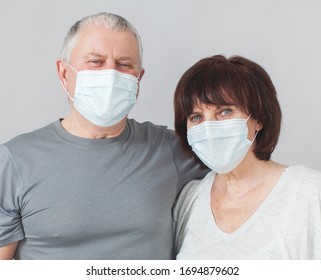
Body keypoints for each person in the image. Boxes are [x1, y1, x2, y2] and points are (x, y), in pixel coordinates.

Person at [0, 12, 207, 260]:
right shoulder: (15, 161)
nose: (111, 74)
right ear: (64, 73)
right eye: (96, 62)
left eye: (124, 64)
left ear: (138, 79)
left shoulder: (170, 149)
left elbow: (245, 180)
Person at [173, 55, 321, 259]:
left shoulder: (312, 193)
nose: (209, 128)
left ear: (259, 119)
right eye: (197, 117)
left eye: (224, 111)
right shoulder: (189, 200)